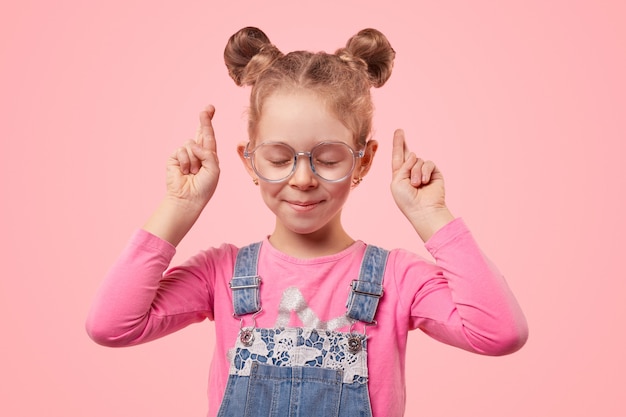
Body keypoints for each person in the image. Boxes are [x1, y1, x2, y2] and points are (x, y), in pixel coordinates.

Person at [86, 27, 528, 417]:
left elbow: (500, 333)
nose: (301, 179)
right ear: (249, 161)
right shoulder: (220, 274)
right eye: (279, 158)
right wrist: (178, 207)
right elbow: (111, 325)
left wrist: (433, 217)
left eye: (328, 158)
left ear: (364, 161)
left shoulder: (397, 278)